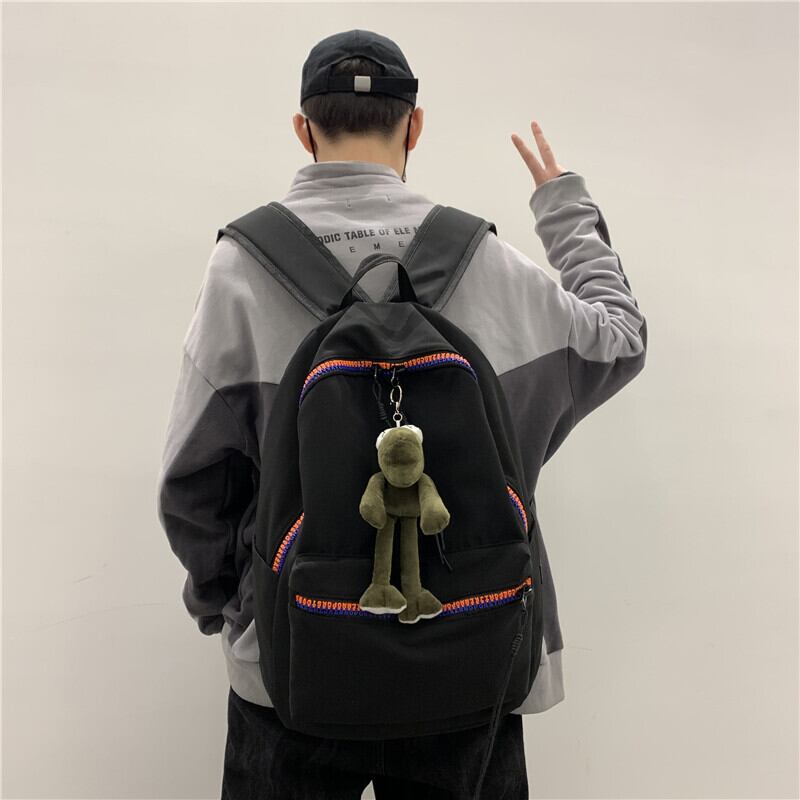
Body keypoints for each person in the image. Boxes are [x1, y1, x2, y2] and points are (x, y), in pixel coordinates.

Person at [156, 28, 646, 800]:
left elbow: (192, 484)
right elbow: (620, 339)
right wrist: (564, 210)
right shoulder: (485, 262)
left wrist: (233, 610)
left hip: (291, 661)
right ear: (414, 126)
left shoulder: (240, 269)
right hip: (473, 648)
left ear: (303, 128)